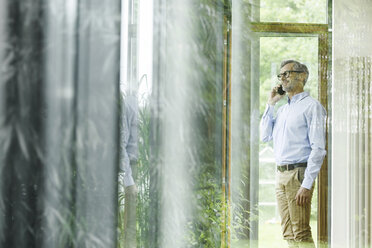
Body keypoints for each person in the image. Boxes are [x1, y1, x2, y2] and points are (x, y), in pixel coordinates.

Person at [260, 60, 327, 247]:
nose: (282, 78)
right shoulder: (282, 110)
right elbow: (265, 136)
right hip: (280, 175)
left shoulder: (312, 107)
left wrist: (306, 184)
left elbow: (318, 148)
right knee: (288, 233)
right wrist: (271, 104)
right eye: (280, 75)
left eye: (287, 74)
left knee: (301, 232)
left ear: (302, 76)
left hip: (298, 174)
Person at [120, 95, 138, 248]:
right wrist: (128, 177)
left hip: (130, 168)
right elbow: (122, 141)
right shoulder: (123, 99)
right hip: (126, 170)